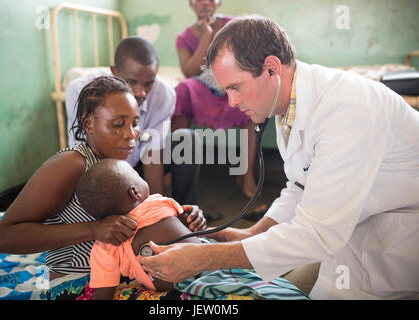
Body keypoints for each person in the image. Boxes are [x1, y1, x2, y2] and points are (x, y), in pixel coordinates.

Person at [138, 15, 419, 299]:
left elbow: (317, 235)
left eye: (235, 87)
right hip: (351, 228)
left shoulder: (346, 110)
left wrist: (206, 257)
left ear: (271, 68)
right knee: (293, 285)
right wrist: (252, 234)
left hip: (397, 239)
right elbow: (300, 185)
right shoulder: (290, 105)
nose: (232, 102)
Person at [0, 76, 206, 300]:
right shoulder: (72, 164)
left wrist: (180, 220)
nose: (131, 134)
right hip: (80, 285)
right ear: (88, 124)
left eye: (134, 123)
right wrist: (94, 229)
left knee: (207, 265)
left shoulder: (117, 165)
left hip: (126, 275)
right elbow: (2, 239)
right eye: (118, 124)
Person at [66, 36, 201, 209]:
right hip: (99, 171)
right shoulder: (82, 91)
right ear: (114, 72)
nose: (141, 93)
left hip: (139, 166)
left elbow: (153, 154)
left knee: (187, 139)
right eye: (132, 82)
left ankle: (185, 214)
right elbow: (85, 155)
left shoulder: (164, 95)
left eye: (148, 83)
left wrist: (158, 210)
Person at [75, 158, 205, 299]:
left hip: (173, 289)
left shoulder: (106, 244)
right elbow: (188, 224)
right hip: (207, 264)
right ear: (135, 192)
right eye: (138, 176)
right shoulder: (158, 201)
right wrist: (194, 215)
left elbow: (104, 293)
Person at [171, 0, 258, 198]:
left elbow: (245, 60)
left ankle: (247, 172)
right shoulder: (184, 38)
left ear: (219, 3)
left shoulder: (234, 26)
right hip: (203, 89)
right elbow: (189, 71)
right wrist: (207, 36)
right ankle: (176, 166)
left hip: (231, 86)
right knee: (183, 89)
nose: (205, 3)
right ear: (191, 4)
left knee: (252, 92)